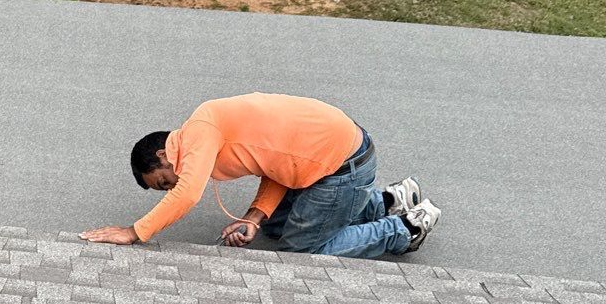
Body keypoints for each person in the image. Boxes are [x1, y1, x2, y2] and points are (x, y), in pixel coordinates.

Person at [81, 92, 440, 257]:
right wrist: (254, 217)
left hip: (341, 168)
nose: (170, 187)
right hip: (326, 160)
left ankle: (403, 230)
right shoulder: (210, 132)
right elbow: (279, 165)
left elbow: (187, 194)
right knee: (271, 226)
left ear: (164, 153)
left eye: (163, 181)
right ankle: (386, 201)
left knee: (303, 248)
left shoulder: (200, 132)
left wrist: (134, 232)